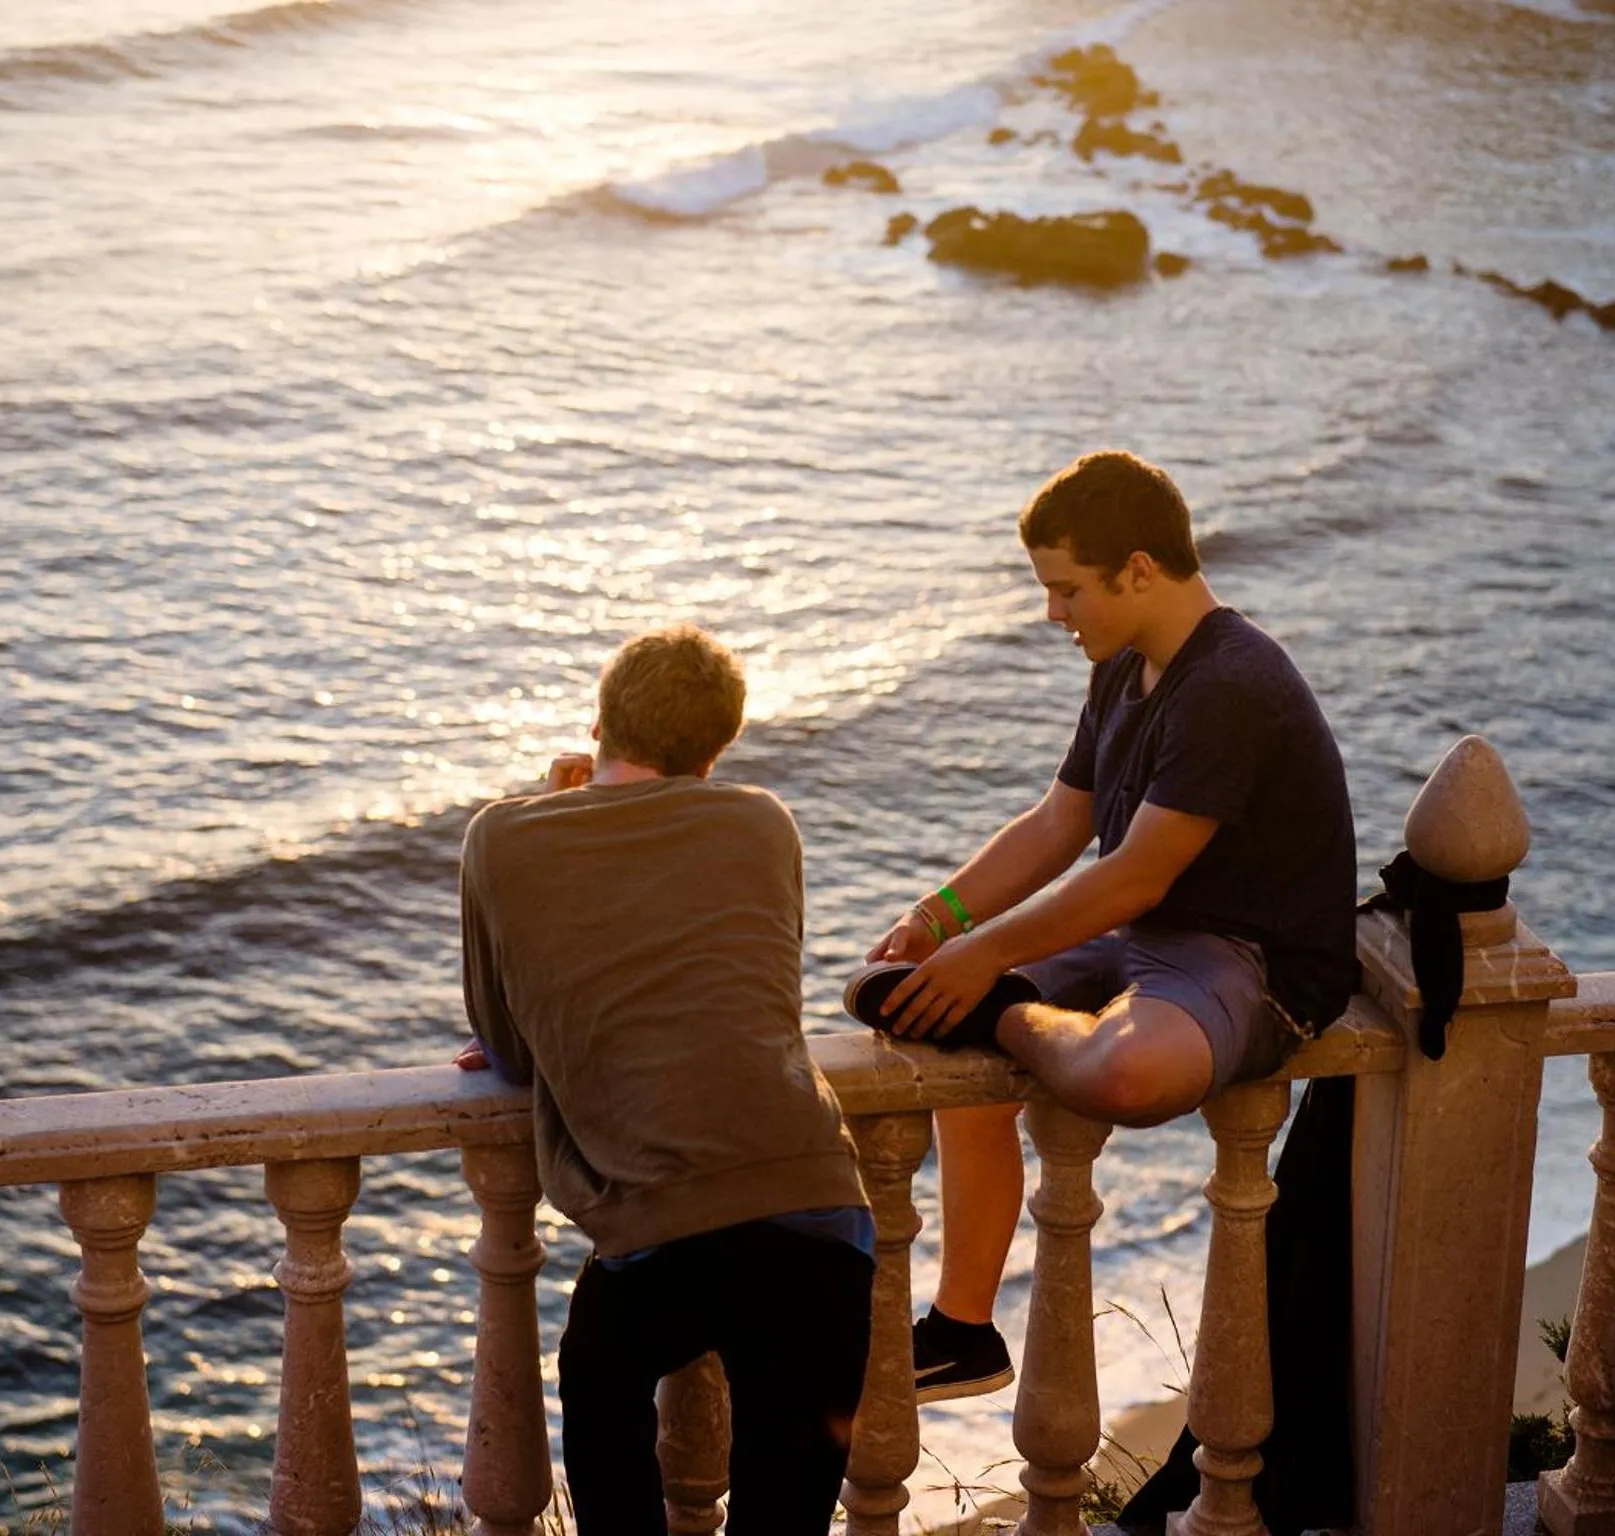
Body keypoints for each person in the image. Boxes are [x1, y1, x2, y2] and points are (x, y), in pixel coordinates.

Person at [848, 450, 1357, 1401]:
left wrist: (987, 965)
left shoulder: (1229, 684)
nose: (1053, 614)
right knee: (895, 998)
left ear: (1138, 568)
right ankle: (963, 1329)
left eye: (1066, 590)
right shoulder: (1124, 663)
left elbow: (1134, 873)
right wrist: (937, 918)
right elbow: (1058, 822)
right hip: (1145, 932)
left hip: (1249, 957)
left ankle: (998, 1016)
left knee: (1121, 1071)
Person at [456, 624, 874, 1534]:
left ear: (598, 722)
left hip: (657, 1232)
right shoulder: (761, 821)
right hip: (819, 1212)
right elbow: (758, 990)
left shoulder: (500, 839)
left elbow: (510, 1048)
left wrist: (553, 806)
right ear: (718, 750)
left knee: (600, 1389)